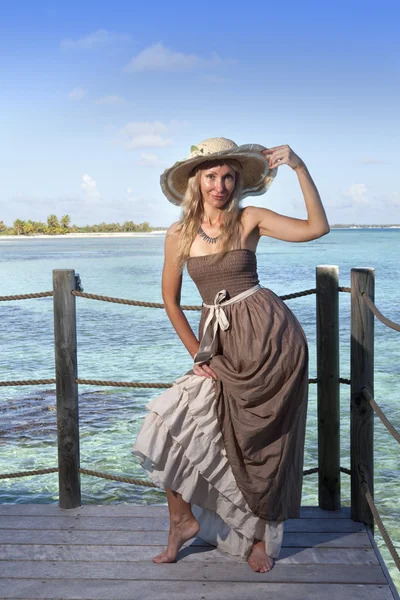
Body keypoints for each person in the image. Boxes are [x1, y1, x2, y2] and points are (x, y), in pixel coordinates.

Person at [132, 137, 329, 573]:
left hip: (272, 343)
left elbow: (317, 228)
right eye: (210, 176)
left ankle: (261, 537)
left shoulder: (250, 219)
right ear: (195, 181)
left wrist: (299, 167)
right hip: (218, 346)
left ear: (237, 181)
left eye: (227, 177)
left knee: (264, 441)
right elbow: (170, 299)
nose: (219, 185)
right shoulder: (179, 234)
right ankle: (180, 522)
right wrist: (196, 355)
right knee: (168, 418)